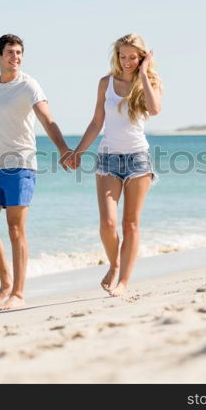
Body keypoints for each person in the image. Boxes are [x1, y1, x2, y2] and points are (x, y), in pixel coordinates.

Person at [0, 34, 73, 311]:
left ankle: (19, 293)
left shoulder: (29, 85)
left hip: (22, 165)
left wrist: (63, 149)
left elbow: (47, 119)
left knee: (15, 229)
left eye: (20, 52)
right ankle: (6, 283)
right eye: (11, 52)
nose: (16, 57)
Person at [65, 33, 162, 297]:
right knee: (108, 223)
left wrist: (143, 74)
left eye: (133, 57)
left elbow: (155, 109)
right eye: (123, 56)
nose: (128, 61)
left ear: (141, 57)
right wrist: (77, 151)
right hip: (108, 158)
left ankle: (124, 281)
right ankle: (114, 263)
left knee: (130, 224)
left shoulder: (148, 82)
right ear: (116, 56)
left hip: (138, 160)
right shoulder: (105, 83)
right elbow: (97, 122)